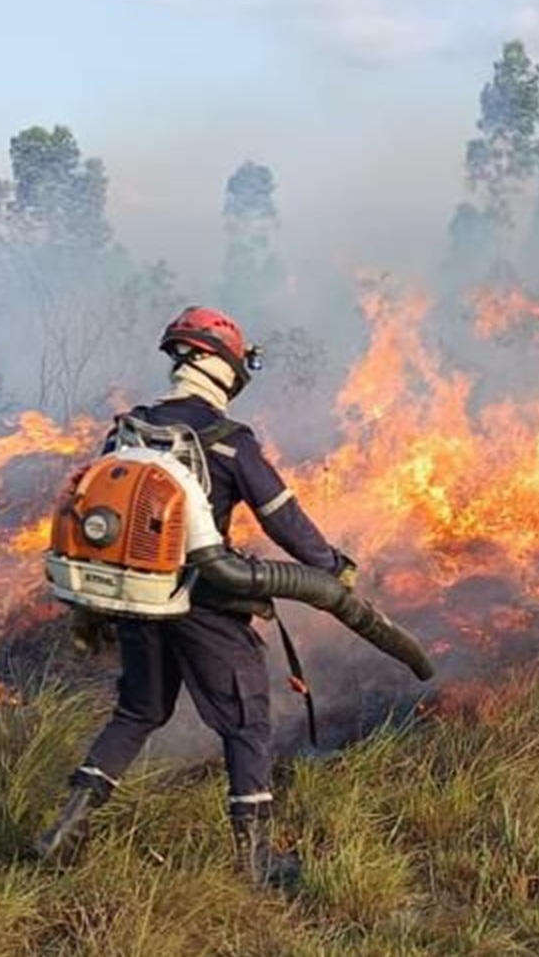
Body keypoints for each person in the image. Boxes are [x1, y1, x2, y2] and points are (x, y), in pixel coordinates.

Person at [32, 305, 355, 886]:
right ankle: (256, 864)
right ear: (224, 367)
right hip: (203, 602)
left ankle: (65, 829)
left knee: (138, 712)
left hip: (137, 599)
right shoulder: (229, 441)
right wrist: (332, 569)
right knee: (246, 722)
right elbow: (282, 518)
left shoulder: (127, 431)